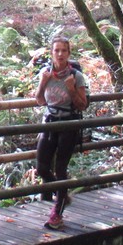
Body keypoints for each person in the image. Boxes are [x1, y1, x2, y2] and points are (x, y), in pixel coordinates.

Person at [35, 37, 89, 230]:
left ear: (68, 53)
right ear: (52, 53)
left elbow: (83, 105)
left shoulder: (76, 76)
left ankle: (57, 214)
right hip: (49, 122)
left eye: (63, 50)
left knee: (60, 168)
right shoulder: (45, 73)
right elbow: (40, 101)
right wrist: (43, 83)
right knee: (42, 168)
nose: (60, 54)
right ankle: (63, 194)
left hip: (69, 123)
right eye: (56, 50)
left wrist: (71, 89)